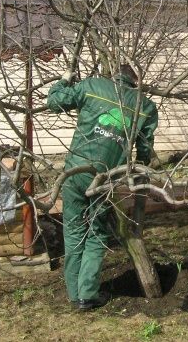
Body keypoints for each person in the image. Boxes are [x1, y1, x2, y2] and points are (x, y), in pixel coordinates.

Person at [47, 63, 158, 310]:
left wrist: (63, 81)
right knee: (97, 234)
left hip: (75, 173)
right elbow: (145, 148)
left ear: (114, 75)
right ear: (135, 81)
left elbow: (54, 101)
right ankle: (87, 295)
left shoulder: (91, 86)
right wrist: (140, 167)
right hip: (105, 180)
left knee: (74, 232)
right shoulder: (145, 106)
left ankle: (74, 293)